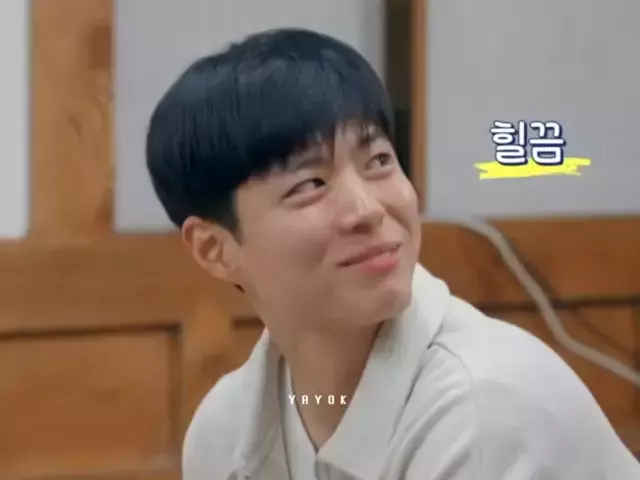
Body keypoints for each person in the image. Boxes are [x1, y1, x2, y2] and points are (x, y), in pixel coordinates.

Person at [146, 28, 639, 480]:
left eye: (379, 161)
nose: (367, 209)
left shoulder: (484, 409)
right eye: (310, 184)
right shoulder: (224, 431)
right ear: (214, 248)